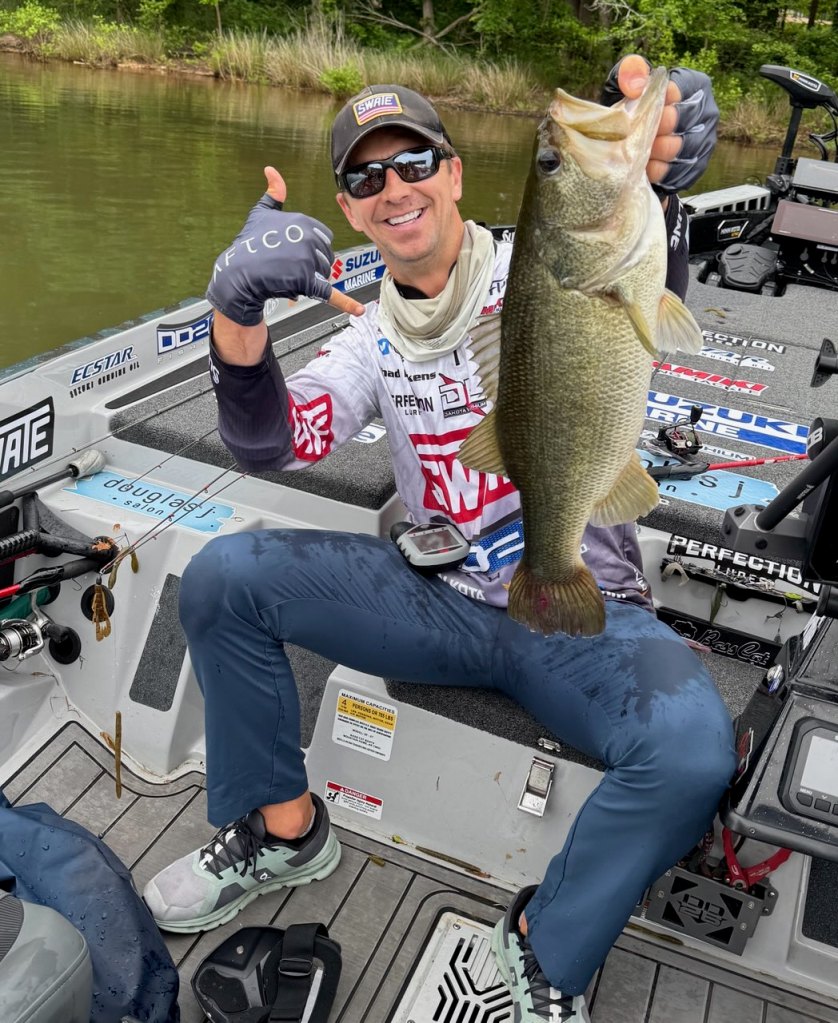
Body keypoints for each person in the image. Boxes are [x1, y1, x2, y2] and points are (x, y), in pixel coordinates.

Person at [142, 55, 735, 1023]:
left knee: (694, 751)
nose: (395, 187)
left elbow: (636, 273)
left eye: (414, 161)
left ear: (455, 174)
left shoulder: (544, 264)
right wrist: (235, 312)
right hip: (437, 599)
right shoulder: (367, 338)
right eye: (367, 176)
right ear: (350, 207)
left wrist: (662, 172)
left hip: (580, 609)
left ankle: (544, 946)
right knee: (220, 577)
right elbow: (268, 443)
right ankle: (286, 833)